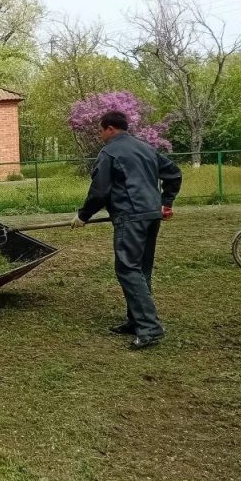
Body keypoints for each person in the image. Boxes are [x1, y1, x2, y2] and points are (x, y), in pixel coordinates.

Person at [70, 111, 182, 349]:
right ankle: (136, 320)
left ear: (110, 128)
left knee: (128, 269)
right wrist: (166, 203)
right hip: (151, 215)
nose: (100, 136)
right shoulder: (146, 148)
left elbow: (99, 191)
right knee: (141, 269)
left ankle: (150, 327)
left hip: (130, 218)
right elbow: (174, 174)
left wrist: (83, 215)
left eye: (100, 131)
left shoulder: (109, 152)